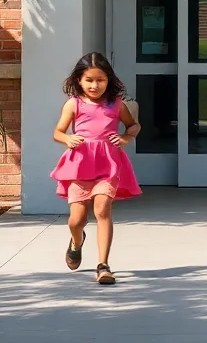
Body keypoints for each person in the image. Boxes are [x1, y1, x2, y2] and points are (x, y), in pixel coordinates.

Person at [50, 52, 142, 285]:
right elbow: (58, 132)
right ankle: (76, 241)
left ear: (108, 80)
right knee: (76, 220)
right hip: (80, 165)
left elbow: (133, 125)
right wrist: (67, 139)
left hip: (108, 164)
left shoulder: (116, 104)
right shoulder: (74, 104)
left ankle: (103, 266)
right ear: (79, 80)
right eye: (89, 79)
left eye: (100, 80)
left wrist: (125, 138)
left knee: (102, 210)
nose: (95, 85)